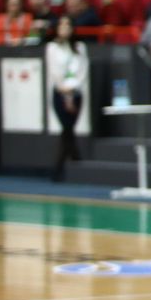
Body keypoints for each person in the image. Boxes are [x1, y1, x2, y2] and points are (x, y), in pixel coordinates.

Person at [46, 16, 87, 180]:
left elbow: (82, 71)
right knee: (67, 128)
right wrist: (65, 92)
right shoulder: (52, 48)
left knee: (69, 129)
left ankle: (66, 166)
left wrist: (72, 91)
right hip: (59, 93)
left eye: (68, 24)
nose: (65, 28)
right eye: (61, 25)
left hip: (76, 93)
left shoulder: (80, 47)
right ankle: (68, 165)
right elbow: (55, 73)